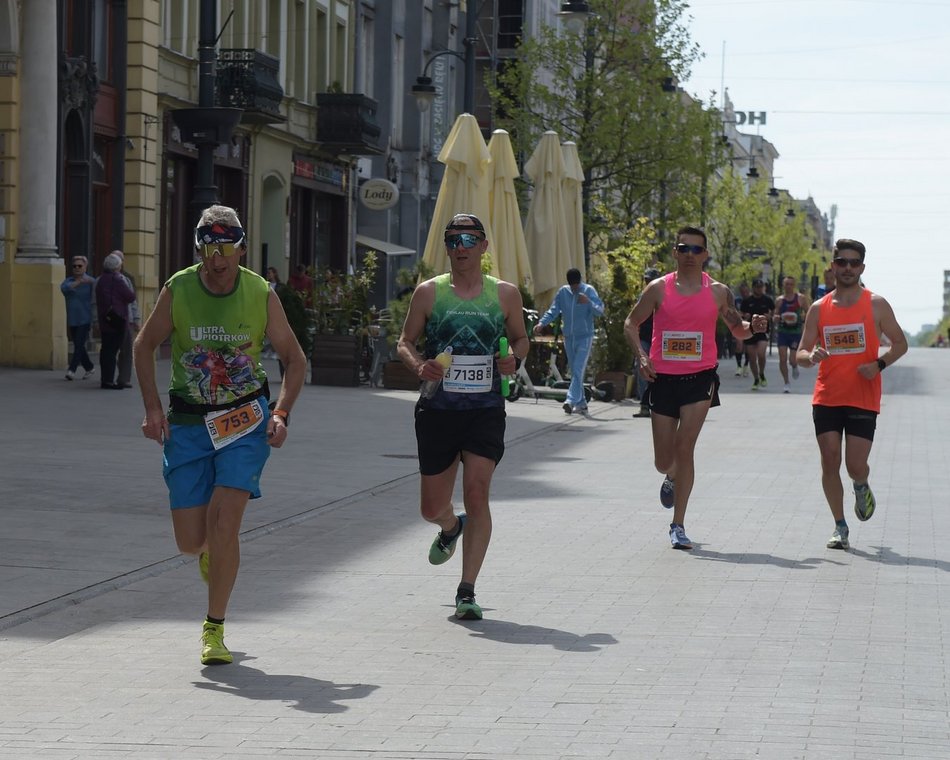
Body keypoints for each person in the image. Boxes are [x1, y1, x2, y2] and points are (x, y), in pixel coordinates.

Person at [133, 204, 306, 665]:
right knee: (192, 541)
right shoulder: (179, 288)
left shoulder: (259, 292)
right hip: (189, 424)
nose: (218, 259)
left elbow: (294, 358)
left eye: (227, 248)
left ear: (242, 249)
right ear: (199, 250)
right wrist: (152, 408)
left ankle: (214, 629)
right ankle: (211, 552)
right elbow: (144, 344)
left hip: (245, 422)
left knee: (226, 520)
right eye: (209, 248)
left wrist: (282, 412)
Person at [396, 212, 529, 620]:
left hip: (485, 410)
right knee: (430, 508)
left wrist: (514, 359)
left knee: (477, 491)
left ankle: (467, 590)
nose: (461, 248)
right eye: (454, 240)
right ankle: (451, 527)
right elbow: (405, 341)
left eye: (470, 240)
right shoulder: (429, 293)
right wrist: (419, 366)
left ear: (485, 247)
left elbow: (521, 339)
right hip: (437, 409)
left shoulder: (504, 294)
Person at [623, 226, 767, 550]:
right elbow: (631, 323)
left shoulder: (718, 292)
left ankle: (678, 524)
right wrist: (642, 357)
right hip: (663, 379)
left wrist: (752, 328)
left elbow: (738, 330)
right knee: (664, 460)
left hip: (700, 378)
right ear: (674, 252)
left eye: (696, 250)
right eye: (683, 248)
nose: (689, 255)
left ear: (705, 255)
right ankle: (670, 475)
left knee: (685, 447)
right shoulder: (658, 289)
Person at [795, 239, 907, 551]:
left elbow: (900, 343)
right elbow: (800, 354)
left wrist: (879, 364)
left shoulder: (876, 305)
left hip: (862, 397)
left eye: (853, 263)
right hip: (827, 396)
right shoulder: (819, 309)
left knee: (855, 465)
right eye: (841, 262)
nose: (847, 268)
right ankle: (839, 525)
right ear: (832, 265)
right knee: (830, 461)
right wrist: (811, 356)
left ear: (862, 268)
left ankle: (861, 484)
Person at [533, 267, 604, 415]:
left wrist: (588, 302)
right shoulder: (563, 292)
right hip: (569, 338)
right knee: (575, 372)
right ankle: (582, 403)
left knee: (577, 369)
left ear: (580, 282)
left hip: (585, 336)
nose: (574, 289)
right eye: (572, 286)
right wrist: (542, 323)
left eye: (576, 286)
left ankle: (570, 401)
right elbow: (554, 310)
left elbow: (600, 310)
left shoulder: (589, 290)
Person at [95, 252, 136, 390]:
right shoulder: (118, 279)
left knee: (106, 350)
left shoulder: (100, 280)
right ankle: (110, 381)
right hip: (118, 319)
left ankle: (106, 379)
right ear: (117, 267)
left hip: (105, 319)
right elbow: (130, 296)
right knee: (114, 351)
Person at [61, 255, 97, 381]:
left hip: (85, 318)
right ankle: (89, 367)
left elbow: (95, 296)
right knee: (79, 345)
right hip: (73, 319)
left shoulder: (91, 282)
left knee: (79, 345)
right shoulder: (69, 281)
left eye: (80, 266)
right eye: (74, 266)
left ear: (85, 267)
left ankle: (72, 370)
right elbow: (64, 289)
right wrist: (78, 282)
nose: (77, 268)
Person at [773, 275, 809, 393]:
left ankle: (794, 366)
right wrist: (776, 318)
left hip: (795, 332)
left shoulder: (800, 298)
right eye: (786, 284)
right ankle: (786, 382)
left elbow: (809, 312)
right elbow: (775, 315)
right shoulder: (780, 300)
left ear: (794, 285)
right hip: (783, 332)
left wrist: (804, 319)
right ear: (783, 285)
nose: (788, 286)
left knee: (792, 359)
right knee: (782, 358)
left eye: (790, 284)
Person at [633, 267, 661, 417]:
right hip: (645, 337)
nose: (648, 282)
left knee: (659, 371)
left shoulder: (665, 295)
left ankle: (659, 404)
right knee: (641, 367)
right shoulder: (643, 296)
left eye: (650, 280)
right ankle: (644, 405)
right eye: (646, 280)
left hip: (661, 340)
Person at [113, 251, 140, 389]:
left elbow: (133, 300)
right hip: (110, 319)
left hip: (126, 319)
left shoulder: (127, 278)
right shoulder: (103, 278)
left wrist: (136, 318)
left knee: (127, 350)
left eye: (118, 259)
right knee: (112, 350)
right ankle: (111, 377)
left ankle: (124, 378)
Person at [740, 279, 774, 390]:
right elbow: (741, 314)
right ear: (753, 288)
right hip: (750, 331)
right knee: (752, 357)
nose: (759, 289)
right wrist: (745, 316)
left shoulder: (767, 300)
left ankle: (762, 373)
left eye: (761, 287)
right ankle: (756, 378)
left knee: (761, 353)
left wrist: (770, 317)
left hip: (763, 332)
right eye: (757, 287)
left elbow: (773, 312)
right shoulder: (747, 301)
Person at [732, 283, 751, 377]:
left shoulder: (752, 300)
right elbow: (733, 311)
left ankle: (746, 365)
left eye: (746, 291)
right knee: (739, 345)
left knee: (748, 348)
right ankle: (739, 366)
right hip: (739, 325)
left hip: (750, 326)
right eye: (743, 292)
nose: (745, 293)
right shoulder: (737, 300)